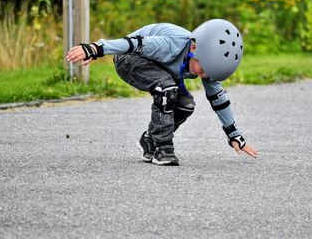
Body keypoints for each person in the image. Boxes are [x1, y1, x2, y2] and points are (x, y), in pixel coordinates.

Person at [66, 19, 258, 166]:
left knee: (186, 105)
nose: (205, 75)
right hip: (129, 58)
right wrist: (95, 48)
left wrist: (234, 135)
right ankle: (163, 148)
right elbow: (131, 44)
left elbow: (219, 100)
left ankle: (150, 140)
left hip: (160, 68)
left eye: (210, 73)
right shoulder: (171, 43)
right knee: (167, 89)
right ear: (193, 48)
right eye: (205, 68)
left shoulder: (207, 63)